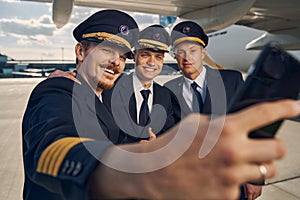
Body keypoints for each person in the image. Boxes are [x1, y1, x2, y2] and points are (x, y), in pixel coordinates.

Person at [22, 9, 300, 200]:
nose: (116, 62)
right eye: (107, 50)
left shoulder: (103, 95)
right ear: (80, 51)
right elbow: (52, 147)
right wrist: (140, 168)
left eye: (122, 55)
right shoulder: (58, 90)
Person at [164, 21, 259, 199]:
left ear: (203, 52)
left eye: (193, 51)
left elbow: (252, 127)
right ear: (175, 56)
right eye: (181, 52)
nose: (187, 57)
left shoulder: (231, 80)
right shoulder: (168, 90)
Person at [102, 24, 180, 144]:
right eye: (145, 55)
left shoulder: (165, 95)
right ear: (134, 56)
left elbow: (169, 136)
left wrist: (156, 144)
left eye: (158, 57)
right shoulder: (110, 88)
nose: (151, 62)